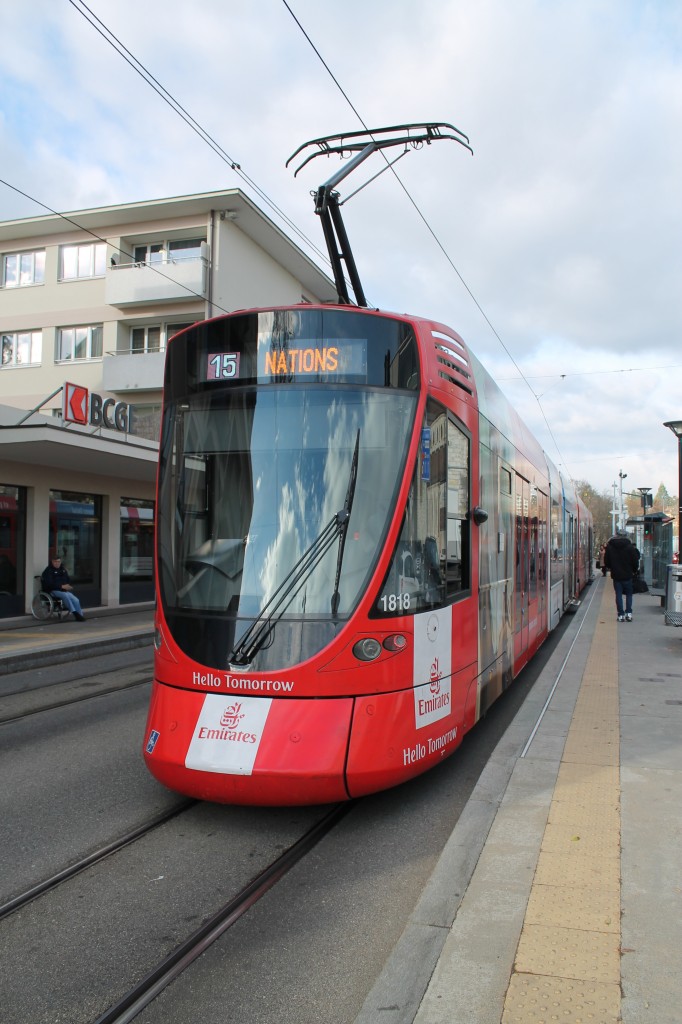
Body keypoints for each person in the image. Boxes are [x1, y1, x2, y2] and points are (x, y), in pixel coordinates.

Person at [603, 528, 640, 622]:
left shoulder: (610, 547)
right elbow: (635, 561)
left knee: (618, 594)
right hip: (628, 574)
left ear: (616, 535)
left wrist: (612, 568)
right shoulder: (630, 547)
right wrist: (634, 570)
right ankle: (629, 613)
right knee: (629, 594)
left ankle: (621, 615)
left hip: (616, 575)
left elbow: (606, 561)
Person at [41, 555, 86, 621]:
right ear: (52, 562)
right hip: (52, 590)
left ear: (60, 562)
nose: (57, 563)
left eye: (58, 562)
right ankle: (75, 613)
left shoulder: (63, 569)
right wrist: (61, 586)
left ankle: (80, 615)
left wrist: (67, 585)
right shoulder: (48, 571)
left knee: (76, 600)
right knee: (65, 595)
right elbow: (49, 584)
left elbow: (67, 579)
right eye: (55, 562)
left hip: (63, 590)